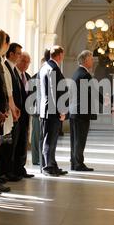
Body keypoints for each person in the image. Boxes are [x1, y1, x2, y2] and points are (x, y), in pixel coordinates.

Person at [39, 46, 68, 176]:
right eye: (63, 55)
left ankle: (52, 165)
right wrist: (61, 110)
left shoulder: (45, 66)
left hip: (48, 109)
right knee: (50, 139)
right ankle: (47, 167)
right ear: (59, 55)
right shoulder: (53, 68)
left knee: (52, 139)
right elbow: (54, 91)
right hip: (52, 110)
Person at [70, 50, 98, 171]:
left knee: (75, 140)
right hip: (81, 112)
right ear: (86, 60)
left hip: (75, 112)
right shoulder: (85, 74)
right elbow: (95, 92)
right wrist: (108, 101)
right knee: (80, 140)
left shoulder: (76, 73)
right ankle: (78, 164)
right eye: (91, 59)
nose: (93, 61)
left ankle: (74, 162)